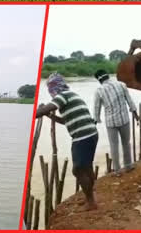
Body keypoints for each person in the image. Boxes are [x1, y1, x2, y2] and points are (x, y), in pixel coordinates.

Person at [36, 73, 99, 210]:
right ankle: (90, 196)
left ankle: (91, 202)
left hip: (82, 136)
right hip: (90, 134)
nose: (50, 91)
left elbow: (43, 110)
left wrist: (40, 111)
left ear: (56, 87)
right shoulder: (71, 95)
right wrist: (49, 116)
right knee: (86, 167)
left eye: (50, 87)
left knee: (77, 170)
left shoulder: (62, 96)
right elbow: (66, 121)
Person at [93, 69, 139, 175]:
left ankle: (117, 170)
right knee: (126, 143)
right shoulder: (121, 85)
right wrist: (136, 115)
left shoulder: (99, 90)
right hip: (124, 120)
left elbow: (96, 108)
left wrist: (95, 121)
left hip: (111, 122)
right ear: (108, 76)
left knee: (114, 146)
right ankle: (128, 166)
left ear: (99, 79)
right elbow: (129, 101)